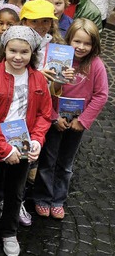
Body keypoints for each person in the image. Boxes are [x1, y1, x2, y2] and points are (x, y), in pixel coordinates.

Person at [0, 25, 53, 256]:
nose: (18, 57)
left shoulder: (38, 79)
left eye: (24, 52)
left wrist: (38, 140)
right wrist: (3, 148)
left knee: (15, 192)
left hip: (22, 147)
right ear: (4, 50)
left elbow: (44, 114)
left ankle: (10, 231)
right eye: (13, 51)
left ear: (32, 54)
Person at [32, 19, 107, 220]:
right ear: (69, 40)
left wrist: (82, 121)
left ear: (94, 45)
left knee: (65, 163)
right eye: (77, 41)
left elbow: (101, 95)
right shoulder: (58, 59)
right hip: (54, 120)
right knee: (47, 160)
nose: (82, 47)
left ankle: (58, 199)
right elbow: (45, 91)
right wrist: (54, 117)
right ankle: (41, 197)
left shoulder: (96, 65)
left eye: (87, 43)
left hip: (77, 123)